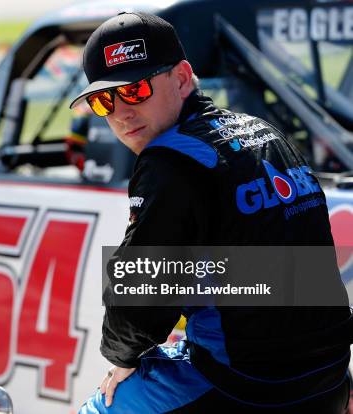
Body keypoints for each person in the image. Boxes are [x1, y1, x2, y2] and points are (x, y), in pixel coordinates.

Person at [69, 12, 353, 413]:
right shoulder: (265, 133)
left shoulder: (170, 160)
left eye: (134, 91)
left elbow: (138, 300)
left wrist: (121, 358)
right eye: (103, 100)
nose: (120, 112)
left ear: (183, 77)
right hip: (330, 376)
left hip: (247, 386)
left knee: (99, 407)